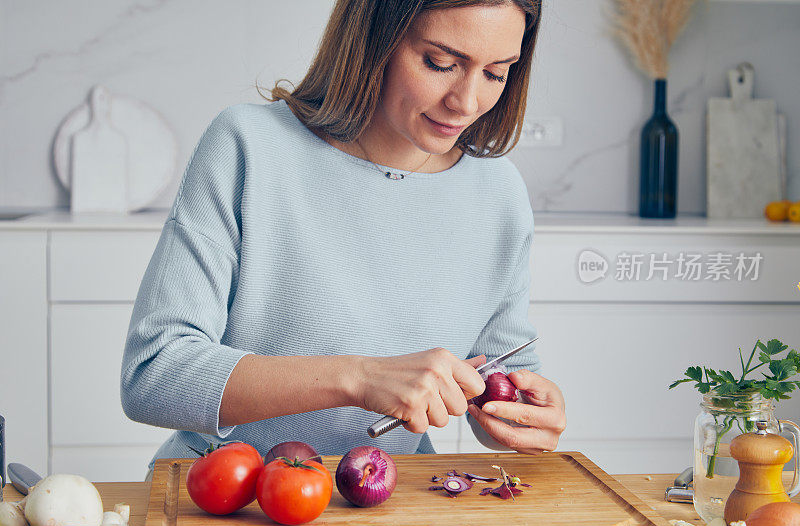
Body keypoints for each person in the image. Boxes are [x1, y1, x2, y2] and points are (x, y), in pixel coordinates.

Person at [121, 0, 566, 480]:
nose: (466, 101)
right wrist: (357, 378)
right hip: (229, 492)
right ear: (374, 39)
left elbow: (498, 372)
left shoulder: (498, 191)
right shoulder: (248, 145)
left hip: (393, 496)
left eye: (496, 74)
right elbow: (154, 375)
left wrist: (521, 415)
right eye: (440, 63)